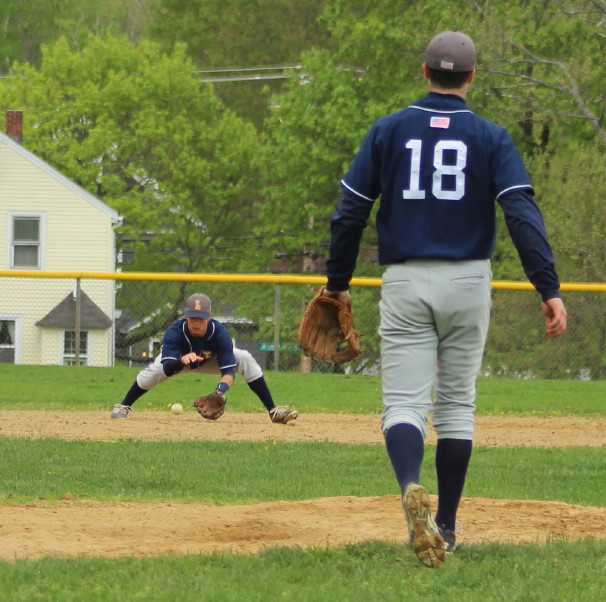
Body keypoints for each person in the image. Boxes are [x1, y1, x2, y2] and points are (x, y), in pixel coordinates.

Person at [322, 31, 567, 568]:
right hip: (468, 281)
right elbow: (521, 214)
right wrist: (547, 287)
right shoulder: (491, 136)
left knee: (404, 404)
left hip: (405, 280)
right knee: (456, 405)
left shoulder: (389, 130)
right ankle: (448, 527)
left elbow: (349, 212)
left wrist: (338, 281)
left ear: (424, 71)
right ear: (471, 77)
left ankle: (411, 485)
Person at [111, 293, 298, 425]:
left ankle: (273, 411)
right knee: (153, 371)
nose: (196, 322)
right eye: (192, 318)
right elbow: (167, 368)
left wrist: (219, 392)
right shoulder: (174, 332)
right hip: (179, 362)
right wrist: (181, 360)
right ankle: (124, 405)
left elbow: (228, 372)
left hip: (211, 361)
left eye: (200, 318)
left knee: (244, 357)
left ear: (210, 316)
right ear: (186, 317)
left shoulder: (220, 333)